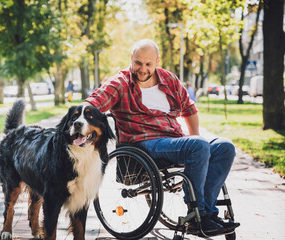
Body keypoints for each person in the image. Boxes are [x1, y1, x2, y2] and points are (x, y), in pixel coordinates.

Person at [83, 39, 239, 234]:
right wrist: (78, 122)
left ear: (158, 61)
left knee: (225, 147)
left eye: (148, 64)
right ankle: (197, 212)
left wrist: (199, 146)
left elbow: (189, 109)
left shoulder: (168, 79)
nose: (142, 69)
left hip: (174, 140)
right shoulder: (120, 82)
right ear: (131, 59)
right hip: (143, 143)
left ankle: (207, 213)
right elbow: (93, 103)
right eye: (138, 63)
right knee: (198, 145)